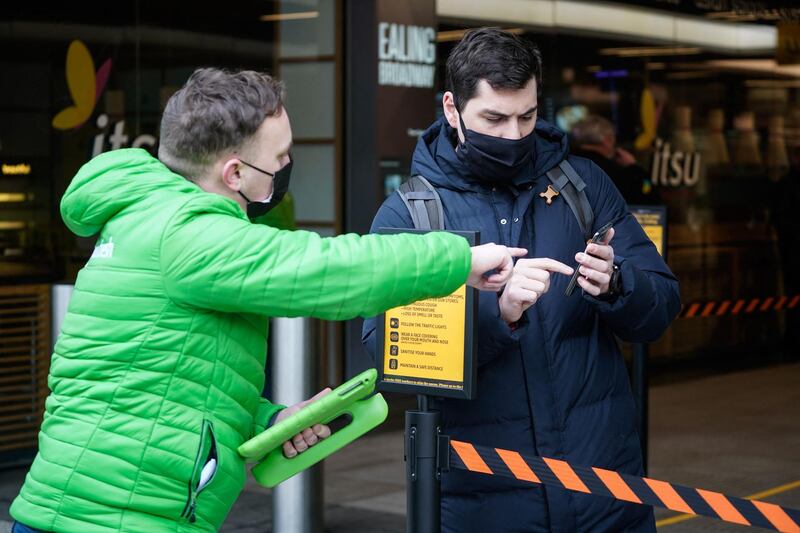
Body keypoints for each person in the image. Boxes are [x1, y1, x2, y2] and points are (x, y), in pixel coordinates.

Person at [9, 68, 525, 533]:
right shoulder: (188, 234)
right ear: (234, 174)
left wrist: (267, 421)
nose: (286, 168)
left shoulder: (148, 217)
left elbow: (153, 377)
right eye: (279, 158)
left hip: (98, 506)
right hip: (115, 515)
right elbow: (324, 271)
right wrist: (459, 259)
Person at [363, 29, 680, 532]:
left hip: (604, 491)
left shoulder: (583, 184)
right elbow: (385, 351)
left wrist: (619, 284)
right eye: (494, 118)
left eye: (527, 116)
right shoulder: (412, 215)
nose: (513, 135)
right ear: (452, 108)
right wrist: (498, 312)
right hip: (485, 504)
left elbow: (662, 306)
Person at [572, 114, 660, 206]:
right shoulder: (614, 173)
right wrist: (634, 168)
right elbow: (649, 197)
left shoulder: (563, 165)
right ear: (607, 140)